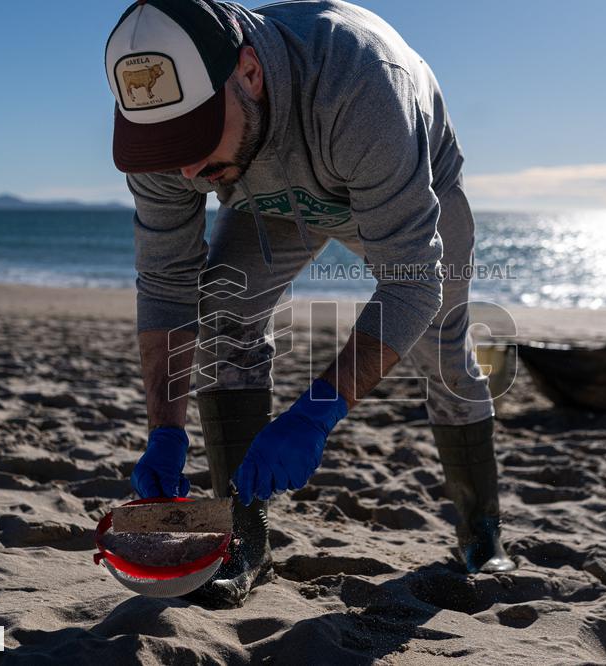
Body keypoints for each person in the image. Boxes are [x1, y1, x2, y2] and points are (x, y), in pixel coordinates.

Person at [104, 0, 516, 607]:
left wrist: (315, 414)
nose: (187, 166)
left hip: (404, 182)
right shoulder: (162, 141)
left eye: (196, 134)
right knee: (223, 314)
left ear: (249, 72)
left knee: (445, 351)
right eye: (167, 144)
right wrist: (164, 429)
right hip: (269, 202)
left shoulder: (362, 85)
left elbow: (412, 284)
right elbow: (167, 284)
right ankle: (244, 543)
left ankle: (482, 535)